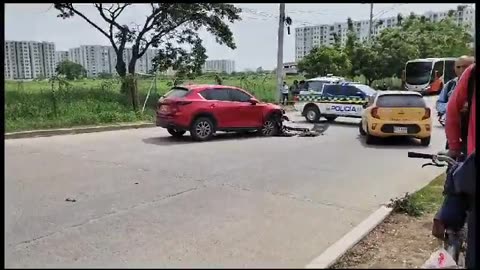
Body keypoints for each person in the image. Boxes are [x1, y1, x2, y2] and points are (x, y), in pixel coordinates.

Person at [445, 63, 476, 269]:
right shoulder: (470, 75)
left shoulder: (472, 74)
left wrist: (455, 147)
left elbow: (451, 111)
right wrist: (455, 146)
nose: (460, 68)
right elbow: (449, 109)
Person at [436, 56, 475, 149]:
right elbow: (440, 104)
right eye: (458, 67)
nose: (462, 70)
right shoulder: (450, 85)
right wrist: (455, 107)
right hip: (455, 135)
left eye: (466, 67)